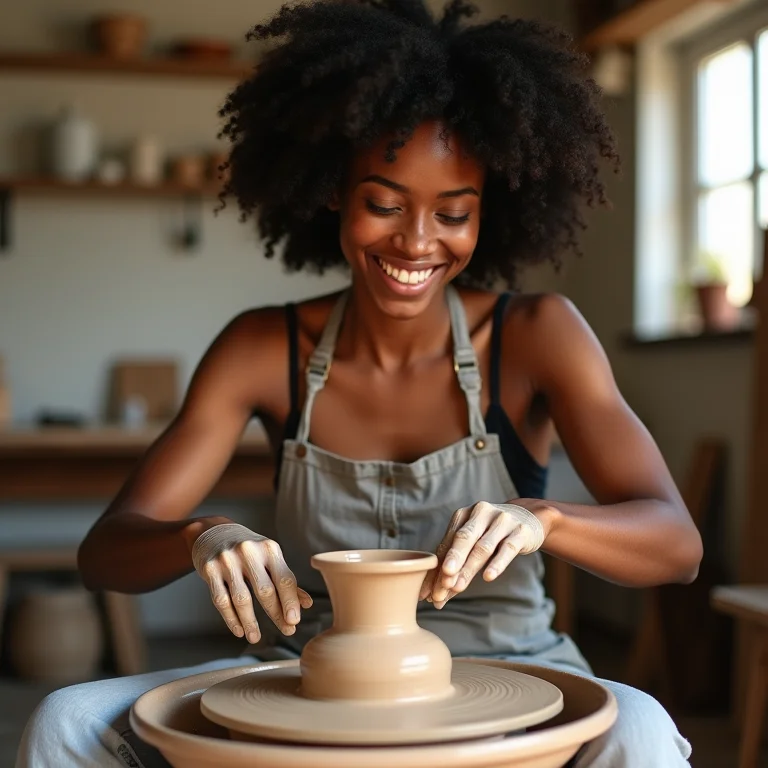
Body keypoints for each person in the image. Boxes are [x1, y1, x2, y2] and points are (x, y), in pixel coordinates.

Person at [17, 1, 702, 766]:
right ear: (331, 192)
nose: (416, 241)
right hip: (314, 675)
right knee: (66, 717)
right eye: (383, 204)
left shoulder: (538, 334)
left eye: (453, 213)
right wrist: (198, 535)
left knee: (638, 729)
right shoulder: (262, 346)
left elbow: (677, 546)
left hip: (517, 668)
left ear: (489, 215)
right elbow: (104, 553)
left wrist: (548, 520)